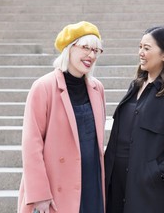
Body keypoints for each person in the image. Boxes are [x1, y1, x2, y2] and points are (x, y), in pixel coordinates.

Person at [17, 21, 106, 213]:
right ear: (69, 48)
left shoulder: (97, 88)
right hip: (55, 187)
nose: (91, 55)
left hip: (91, 182)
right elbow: (31, 145)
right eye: (86, 48)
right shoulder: (43, 87)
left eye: (96, 50)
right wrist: (39, 194)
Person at [104, 26, 164, 213]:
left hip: (146, 188)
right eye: (140, 46)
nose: (141, 53)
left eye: (147, 48)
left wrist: (159, 173)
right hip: (115, 181)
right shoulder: (136, 85)